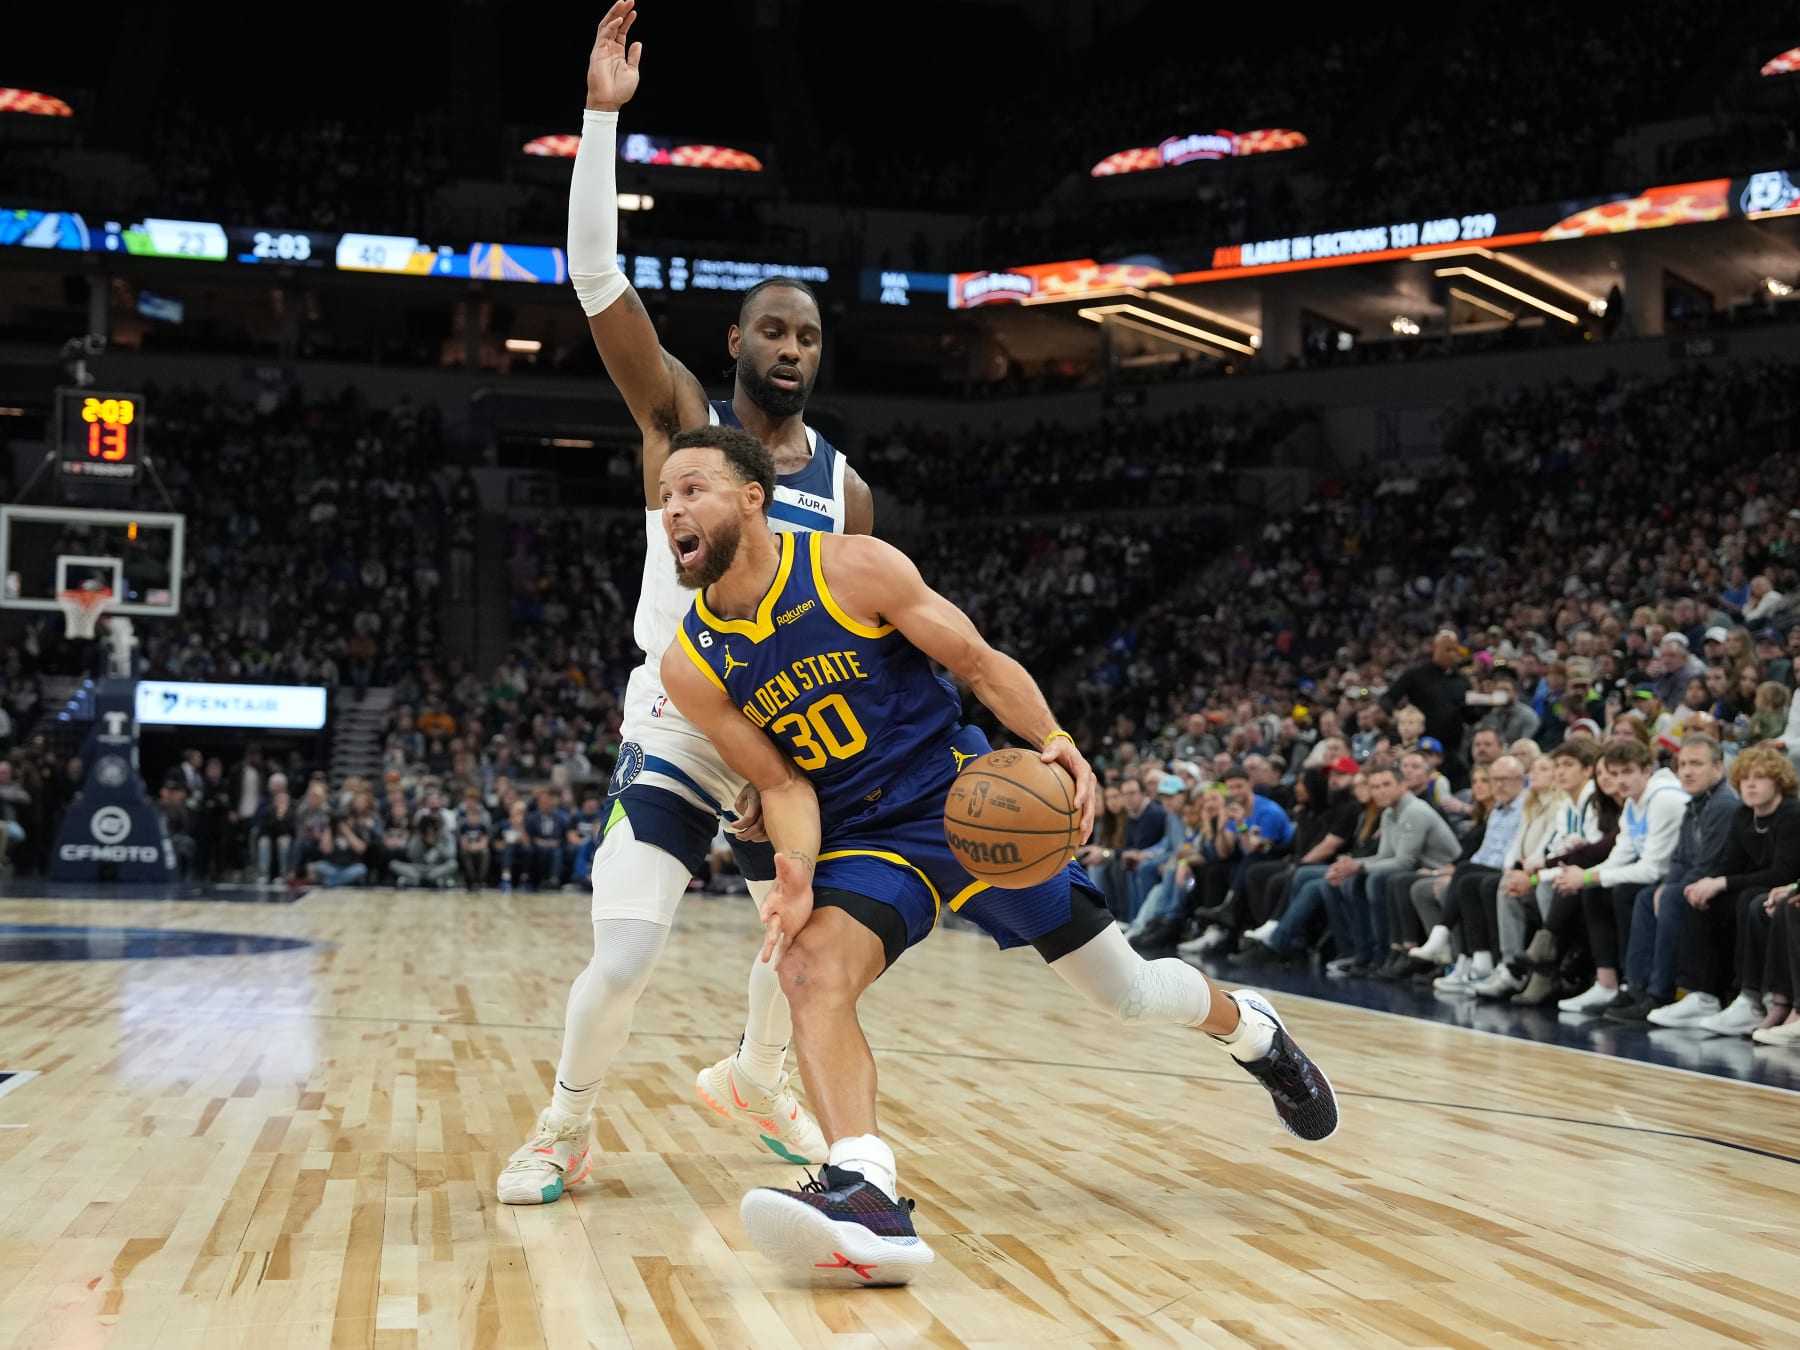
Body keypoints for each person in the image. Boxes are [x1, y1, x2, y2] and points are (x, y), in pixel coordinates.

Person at [657, 425, 1336, 1284]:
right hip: (865, 838)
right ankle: (864, 1188)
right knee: (807, 971)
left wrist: (1054, 738)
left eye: (692, 489)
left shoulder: (851, 567)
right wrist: (792, 880)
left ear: (752, 497)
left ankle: (1252, 1032)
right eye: (666, 497)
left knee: (1121, 992)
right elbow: (784, 784)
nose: (673, 508)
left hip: (967, 803)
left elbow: (975, 662)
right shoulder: (691, 663)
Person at [499, 1, 876, 1206]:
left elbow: (860, 632)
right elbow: (596, 276)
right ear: (735, 339)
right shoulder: (678, 422)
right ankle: (566, 1124)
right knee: (626, 955)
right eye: (773, 326)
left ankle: (758, 1074)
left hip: (790, 734)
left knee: (811, 937)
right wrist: (601, 125)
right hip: (676, 721)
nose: (792, 346)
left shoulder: (847, 490)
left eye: (809, 334)